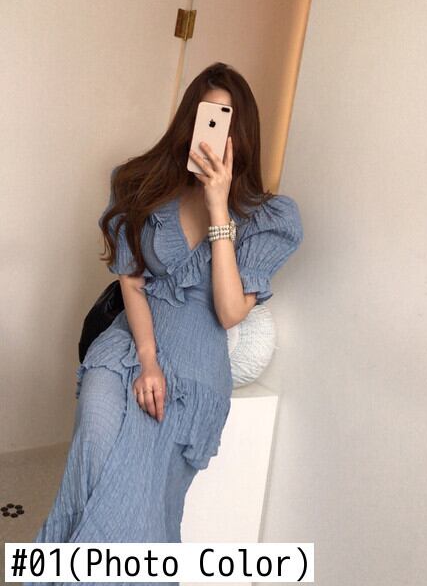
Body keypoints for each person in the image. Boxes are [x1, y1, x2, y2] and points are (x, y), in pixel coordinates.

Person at [26, 62, 303, 583]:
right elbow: (131, 279)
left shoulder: (269, 217)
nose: (214, 130)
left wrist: (219, 208)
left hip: (196, 371)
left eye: (227, 118)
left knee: (142, 489)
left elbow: (229, 310)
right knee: (95, 446)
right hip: (131, 344)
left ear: (244, 131)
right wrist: (148, 359)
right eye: (206, 115)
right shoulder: (141, 182)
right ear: (188, 120)